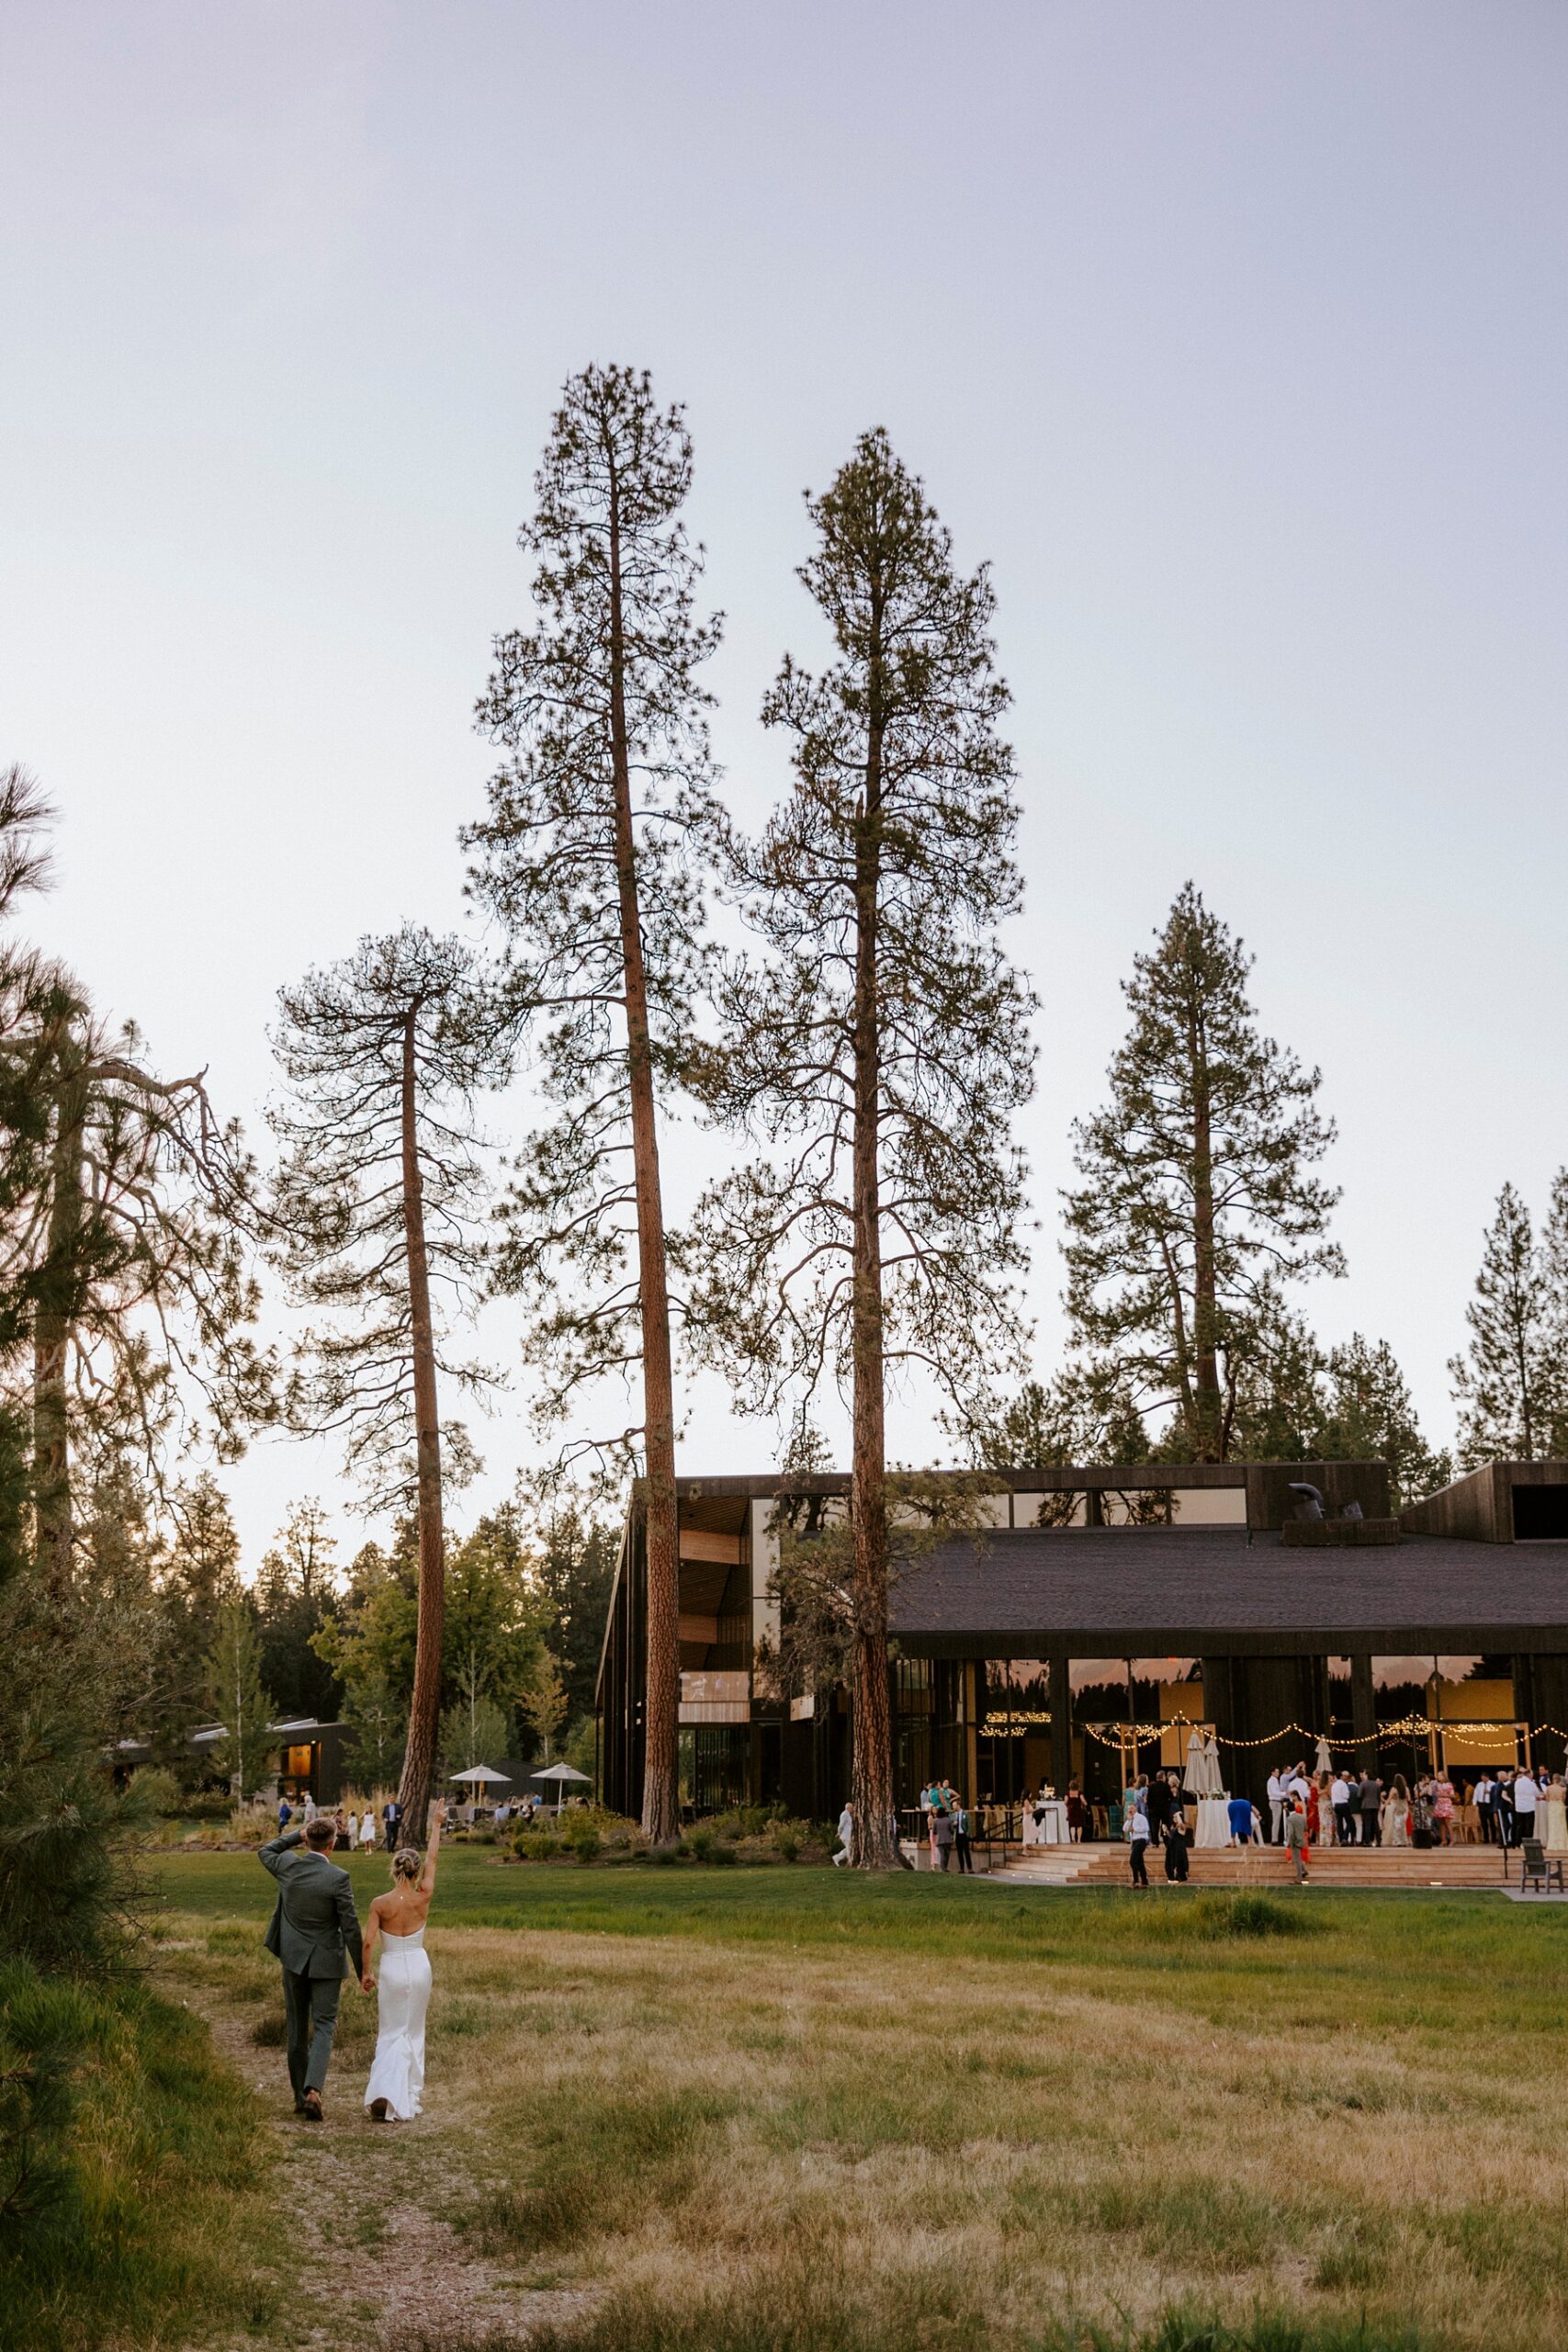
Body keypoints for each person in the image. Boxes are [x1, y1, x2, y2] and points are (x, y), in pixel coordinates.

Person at [258, 1815, 366, 2122]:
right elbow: (351, 1927)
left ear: (309, 1841)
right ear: (332, 1846)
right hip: (327, 1963)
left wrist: (295, 1835)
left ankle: (298, 2096)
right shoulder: (338, 1878)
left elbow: (266, 1851)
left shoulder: (288, 1867)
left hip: (292, 1959)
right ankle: (313, 2093)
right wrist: (363, 1970)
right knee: (324, 2026)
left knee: (296, 2027)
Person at [363, 1808, 442, 2123]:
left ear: (394, 1869)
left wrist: (366, 1973)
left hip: (393, 1968)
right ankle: (408, 2093)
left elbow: (368, 1942)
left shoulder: (379, 1904)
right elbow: (434, 1859)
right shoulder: (423, 1896)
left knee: (390, 2030)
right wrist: (436, 1825)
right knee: (414, 2030)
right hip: (419, 1967)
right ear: (415, 1872)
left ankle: (384, 2089)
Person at [1283, 1796, 1310, 1884]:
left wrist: (1288, 1843)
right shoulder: (1302, 1817)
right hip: (1302, 1839)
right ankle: (1304, 1871)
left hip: (1295, 1841)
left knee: (1297, 1860)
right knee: (1297, 1858)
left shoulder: (1290, 1819)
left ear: (1287, 1809)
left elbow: (1290, 1832)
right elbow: (1306, 1828)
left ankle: (1299, 1878)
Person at [1164, 1793, 1190, 1882]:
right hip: (1173, 1846)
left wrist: (1178, 1814)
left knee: (1178, 1862)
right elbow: (1171, 1836)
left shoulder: (1181, 1827)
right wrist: (1166, 1831)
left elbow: (1181, 1825)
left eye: (1175, 1817)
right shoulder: (1173, 1827)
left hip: (1179, 1847)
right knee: (1170, 1861)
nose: (1174, 1818)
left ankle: (1179, 1876)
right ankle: (1171, 1876)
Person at [1127, 1801, 1150, 1888]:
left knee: (1133, 1860)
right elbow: (1125, 1828)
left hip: (1141, 1840)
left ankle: (1136, 1880)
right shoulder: (1131, 1819)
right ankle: (1144, 1881)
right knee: (1140, 1862)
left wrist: (1135, 1829)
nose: (1130, 1810)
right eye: (1129, 1809)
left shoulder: (1141, 1817)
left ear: (1135, 1808)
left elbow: (1146, 1828)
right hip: (1134, 1841)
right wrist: (1128, 1820)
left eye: (1132, 1808)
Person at [1384, 1774, 1411, 1848]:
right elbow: (1409, 1799)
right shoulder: (1406, 1789)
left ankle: (1397, 1841)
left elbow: (1389, 1799)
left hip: (1396, 1808)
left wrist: (1384, 1806)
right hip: (1404, 1808)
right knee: (1403, 1825)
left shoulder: (1394, 1789)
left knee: (1396, 1825)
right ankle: (1404, 1841)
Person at [1358, 1769, 1382, 1847]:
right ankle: (1378, 1840)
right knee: (1376, 1823)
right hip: (1375, 1805)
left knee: (1367, 1823)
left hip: (1366, 1805)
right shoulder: (1376, 1784)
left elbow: (1359, 1795)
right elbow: (1379, 1796)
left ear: (1367, 1775)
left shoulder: (1363, 1783)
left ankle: (1367, 1841)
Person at [1329, 1769, 1352, 1847]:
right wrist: (1348, 1793)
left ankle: (1341, 1838)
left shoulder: (1334, 1785)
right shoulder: (1343, 1784)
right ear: (1341, 1776)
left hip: (1336, 1805)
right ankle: (1345, 1838)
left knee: (1340, 1823)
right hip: (1343, 1804)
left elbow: (1332, 1796)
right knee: (1349, 1822)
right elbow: (1346, 1795)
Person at [953, 1796, 974, 1874]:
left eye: (954, 1805)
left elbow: (969, 1824)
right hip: (957, 1835)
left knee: (966, 1852)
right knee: (959, 1852)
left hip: (964, 1834)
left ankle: (970, 1868)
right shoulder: (953, 1815)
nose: (953, 1807)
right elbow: (951, 1825)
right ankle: (961, 1868)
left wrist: (968, 1834)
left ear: (958, 1805)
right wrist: (953, 1824)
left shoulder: (965, 1813)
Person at [1266, 1768, 1285, 1846]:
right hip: (1275, 1801)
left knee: (1276, 1821)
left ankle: (1275, 1839)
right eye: (1276, 1772)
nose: (1278, 1773)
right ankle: (1274, 1840)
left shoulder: (1275, 1780)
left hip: (1276, 1801)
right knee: (1276, 1821)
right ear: (1272, 1772)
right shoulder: (1272, 1781)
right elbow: (1274, 1792)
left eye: (1278, 1772)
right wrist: (1283, 1793)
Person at [832, 1801, 854, 1866]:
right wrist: (839, 1832)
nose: (852, 1809)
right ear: (848, 1808)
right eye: (851, 1808)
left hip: (848, 1834)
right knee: (849, 1848)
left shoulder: (848, 1814)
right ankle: (850, 1861)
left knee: (849, 1847)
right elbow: (841, 1825)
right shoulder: (845, 1814)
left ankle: (836, 1857)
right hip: (845, 1835)